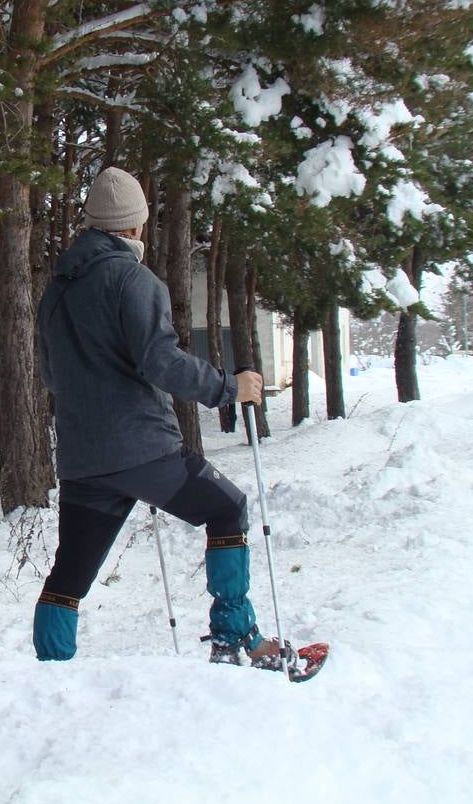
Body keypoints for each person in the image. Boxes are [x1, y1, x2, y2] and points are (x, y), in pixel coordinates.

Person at [33, 166, 290, 670]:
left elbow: (49, 373)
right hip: (144, 449)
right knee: (228, 509)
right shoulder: (133, 279)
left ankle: (51, 675)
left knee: (68, 577)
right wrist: (228, 388)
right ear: (133, 227)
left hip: (83, 458)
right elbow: (162, 362)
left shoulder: (57, 291)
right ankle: (234, 638)